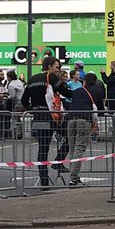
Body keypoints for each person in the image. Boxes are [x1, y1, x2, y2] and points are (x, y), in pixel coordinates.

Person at [22, 56, 74, 187]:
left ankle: (44, 181)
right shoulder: (51, 77)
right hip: (52, 117)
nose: (58, 70)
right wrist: (81, 91)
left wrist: (32, 109)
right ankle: (58, 161)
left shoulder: (32, 79)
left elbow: (23, 100)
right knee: (70, 136)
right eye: (57, 67)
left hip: (38, 117)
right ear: (50, 66)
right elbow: (66, 93)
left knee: (43, 149)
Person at [65, 72, 105, 186]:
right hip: (84, 120)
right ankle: (73, 177)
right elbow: (100, 108)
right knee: (80, 148)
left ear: (85, 81)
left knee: (72, 149)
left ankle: (73, 176)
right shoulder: (98, 91)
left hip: (71, 119)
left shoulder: (77, 91)